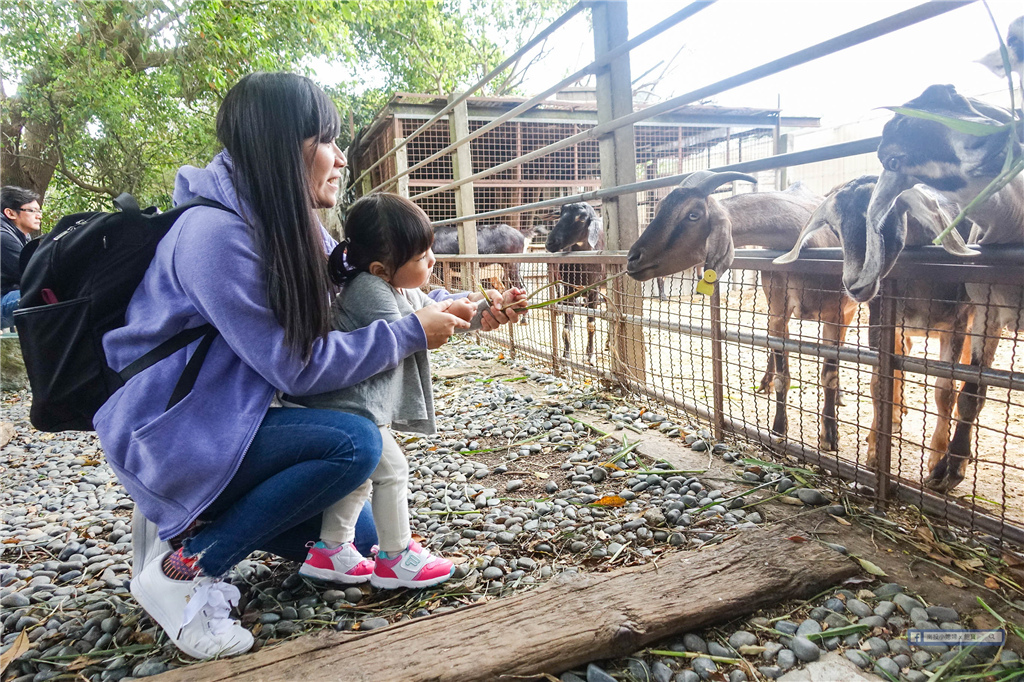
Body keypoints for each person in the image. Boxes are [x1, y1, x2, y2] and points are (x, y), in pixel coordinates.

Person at [94, 72, 523, 661]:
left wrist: (467, 312)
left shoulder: (295, 225)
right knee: (353, 445)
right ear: (283, 145)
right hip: (178, 436)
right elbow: (298, 368)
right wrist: (408, 334)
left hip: (235, 423)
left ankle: (197, 522)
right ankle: (181, 570)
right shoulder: (213, 235)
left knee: (359, 544)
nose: (342, 157)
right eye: (327, 140)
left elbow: (376, 298)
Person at [286, 193, 523, 589]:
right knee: (393, 471)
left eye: (429, 249)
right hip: (343, 408)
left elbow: (436, 307)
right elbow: (416, 329)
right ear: (381, 268)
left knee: (363, 478)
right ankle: (396, 556)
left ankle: (330, 551)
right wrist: (457, 312)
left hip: (355, 407)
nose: (431, 260)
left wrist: (487, 306)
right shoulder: (368, 290)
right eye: (420, 256)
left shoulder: (397, 285)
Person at [1, 185, 42, 328]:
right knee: (43, 295)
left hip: (7, 294)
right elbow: (32, 274)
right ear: (10, 213)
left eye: (39, 210)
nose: (39, 216)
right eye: (32, 211)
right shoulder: (3, 237)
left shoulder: (21, 235)